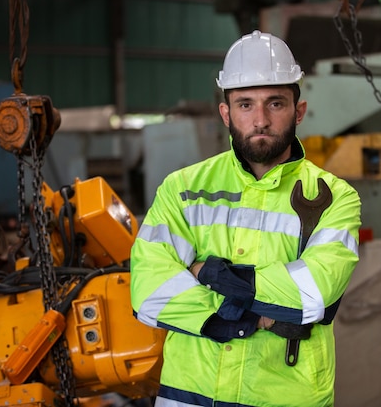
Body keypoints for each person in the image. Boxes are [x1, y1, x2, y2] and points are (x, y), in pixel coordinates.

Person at [130, 30, 361, 407]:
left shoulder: (336, 198)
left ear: (298, 111)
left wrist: (206, 273)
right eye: (245, 104)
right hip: (189, 397)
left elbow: (313, 294)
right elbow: (149, 290)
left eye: (275, 103)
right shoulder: (183, 189)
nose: (260, 119)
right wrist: (253, 317)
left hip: (285, 398)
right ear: (226, 113)